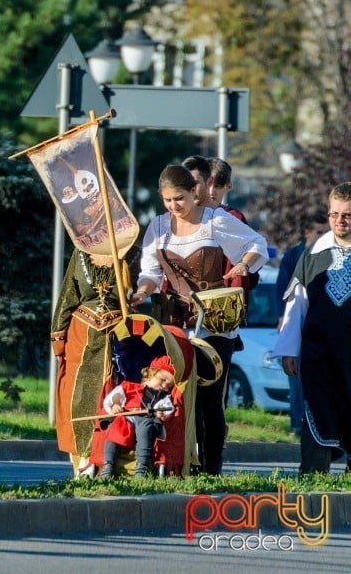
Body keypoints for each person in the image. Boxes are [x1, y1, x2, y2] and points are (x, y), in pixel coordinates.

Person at [130, 164, 268, 475]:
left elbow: (256, 245)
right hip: (175, 323)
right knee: (172, 390)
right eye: (167, 200)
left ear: (194, 192)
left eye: (179, 198)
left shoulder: (215, 221)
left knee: (209, 397)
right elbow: (150, 273)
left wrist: (244, 265)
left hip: (215, 322)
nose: (173, 206)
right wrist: (141, 292)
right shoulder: (158, 227)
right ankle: (177, 462)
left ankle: (210, 466)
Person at [274, 183, 351, 473]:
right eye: (334, 214)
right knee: (317, 408)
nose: (339, 221)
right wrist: (288, 350)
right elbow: (297, 305)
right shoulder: (315, 252)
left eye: (347, 215)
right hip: (319, 351)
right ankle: (313, 473)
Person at [52, 245, 139, 478]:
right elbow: (68, 295)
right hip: (80, 338)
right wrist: (58, 336)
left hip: (117, 338)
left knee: (111, 397)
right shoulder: (81, 252)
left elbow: (145, 287)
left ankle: (106, 463)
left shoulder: (132, 250)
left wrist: (136, 299)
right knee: (77, 397)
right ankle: (81, 464)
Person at [274, 212, 328, 435]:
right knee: (296, 380)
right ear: (307, 232)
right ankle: (298, 425)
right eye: (320, 232)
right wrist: (282, 318)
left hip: (320, 327)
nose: (325, 236)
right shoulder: (294, 255)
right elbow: (282, 288)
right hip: (297, 322)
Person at [99, 356, 176, 479]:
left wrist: (162, 412)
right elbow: (116, 395)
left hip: (146, 418)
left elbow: (166, 406)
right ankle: (108, 465)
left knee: (145, 428)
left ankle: (142, 466)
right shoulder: (129, 386)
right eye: (162, 380)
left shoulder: (162, 396)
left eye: (168, 386)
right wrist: (116, 404)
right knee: (115, 428)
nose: (164, 386)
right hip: (127, 417)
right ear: (149, 374)